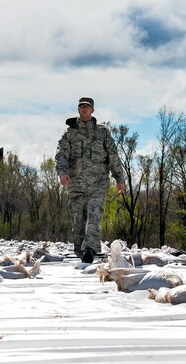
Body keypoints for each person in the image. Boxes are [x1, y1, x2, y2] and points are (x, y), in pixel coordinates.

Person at [55, 97, 125, 263]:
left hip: (98, 184)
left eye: (88, 107)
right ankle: (82, 252)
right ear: (78, 110)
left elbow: (113, 156)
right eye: (81, 107)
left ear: (93, 110)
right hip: (76, 185)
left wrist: (119, 178)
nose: (84, 109)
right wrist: (62, 173)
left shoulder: (102, 132)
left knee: (94, 215)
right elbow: (61, 155)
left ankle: (90, 249)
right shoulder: (69, 133)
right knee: (78, 220)